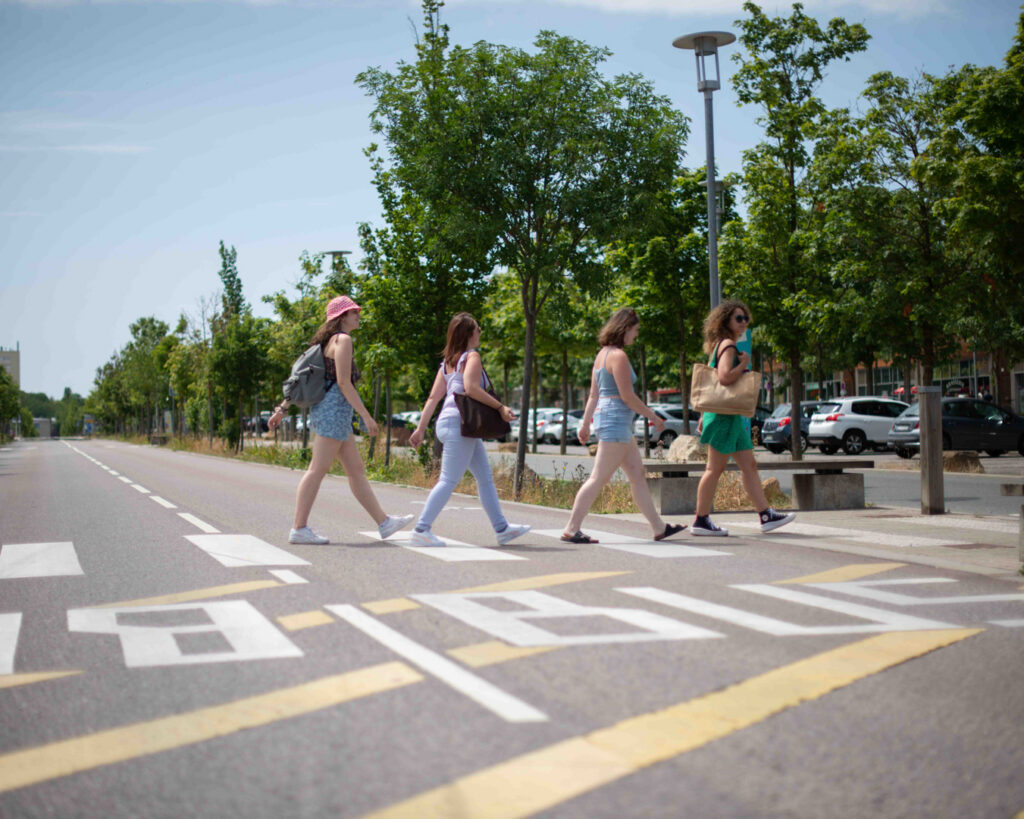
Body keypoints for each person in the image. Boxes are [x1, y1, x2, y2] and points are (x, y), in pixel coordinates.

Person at [268, 296, 413, 544]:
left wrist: (282, 408)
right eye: (353, 312)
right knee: (317, 469)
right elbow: (344, 383)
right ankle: (299, 528)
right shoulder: (343, 340)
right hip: (334, 413)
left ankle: (384, 522)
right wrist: (366, 416)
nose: (358, 315)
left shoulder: (329, 342)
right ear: (341, 317)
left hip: (335, 413)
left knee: (356, 471)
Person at [560, 308, 686, 544]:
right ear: (625, 328)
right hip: (615, 422)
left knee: (637, 476)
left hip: (613, 422)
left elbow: (593, 395)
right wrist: (653, 416)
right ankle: (571, 528)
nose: (636, 335)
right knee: (598, 477)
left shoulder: (601, 355)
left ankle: (659, 527)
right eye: (635, 330)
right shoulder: (618, 356)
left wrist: (585, 424)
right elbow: (627, 396)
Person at [408, 313, 531, 547]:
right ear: (469, 334)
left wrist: (421, 428)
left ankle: (502, 529)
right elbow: (471, 388)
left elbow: (433, 398)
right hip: (460, 425)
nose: (480, 333)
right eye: (478, 329)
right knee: (448, 480)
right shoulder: (472, 356)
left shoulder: (447, 363)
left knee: (485, 478)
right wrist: (500, 407)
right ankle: (421, 529)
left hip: (448, 423)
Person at [692, 299, 795, 536]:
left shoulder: (722, 345)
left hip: (730, 417)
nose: (743, 322)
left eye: (745, 318)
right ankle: (701, 520)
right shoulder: (728, 345)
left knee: (749, 466)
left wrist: (704, 414)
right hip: (724, 418)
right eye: (738, 318)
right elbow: (724, 378)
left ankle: (766, 515)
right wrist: (744, 364)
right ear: (725, 321)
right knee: (714, 469)